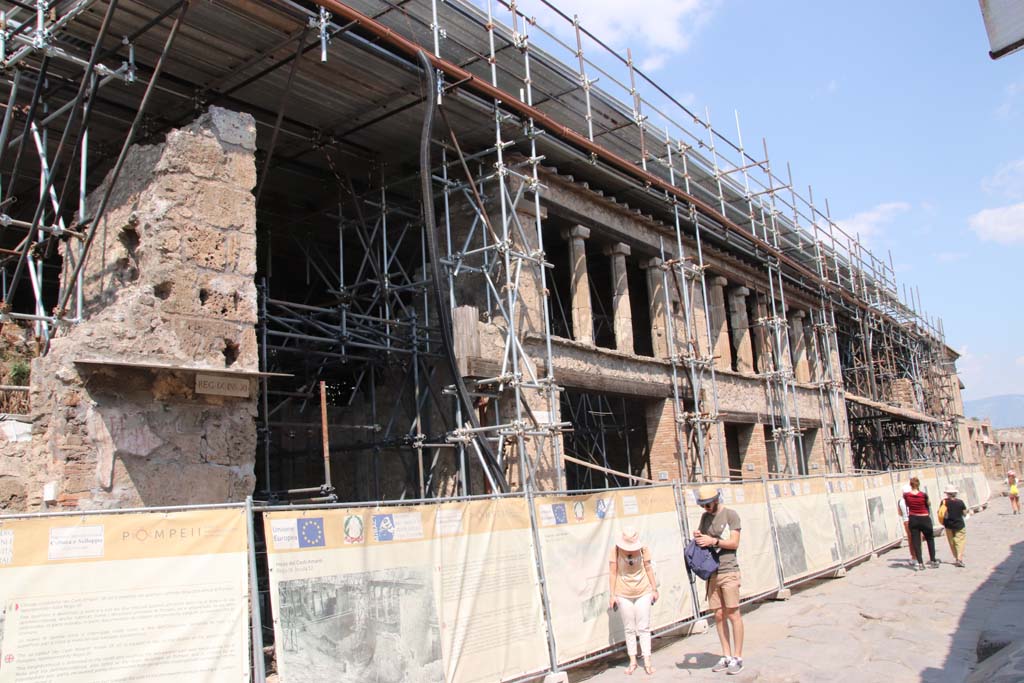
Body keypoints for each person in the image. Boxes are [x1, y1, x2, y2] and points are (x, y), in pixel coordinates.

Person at [693, 485, 744, 675]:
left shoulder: (731, 515)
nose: (705, 509)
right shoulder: (705, 518)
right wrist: (698, 537)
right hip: (711, 572)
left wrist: (714, 541)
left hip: (728, 570)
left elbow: (734, 542)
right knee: (719, 615)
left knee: (733, 613)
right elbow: (703, 540)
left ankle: (738, 657)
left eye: (707, 505)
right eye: (702, 506)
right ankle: (726, 655)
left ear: (716, 500)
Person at [608, 526, 659, 675]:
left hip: (643, 590)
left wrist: (654, 589)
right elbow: (612, 573)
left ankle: (647, 661)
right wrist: (612, 595)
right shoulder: (615, 550)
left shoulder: (643, 549)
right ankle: (633, 661)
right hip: (623, 592)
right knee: (629, 628)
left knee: (643, 626)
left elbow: (648, 568)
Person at [903, 477, 938, 570]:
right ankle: (933, 560)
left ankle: (920, 563)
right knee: (930, 539)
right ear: (919, 485)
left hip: (913, 518)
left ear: (910, 485)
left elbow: (907, 505)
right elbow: (928, 504)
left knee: (916, 541)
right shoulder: (923, 495)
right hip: (924, 517)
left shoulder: (906, 495)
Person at [940, 485, 968, 567]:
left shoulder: (944, 502)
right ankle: (959, 558)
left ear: (947, 493)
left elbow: (942, 513)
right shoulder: (960, 502)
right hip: (959, 524)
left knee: (952, 542)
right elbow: (965, 513)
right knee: (960, 542)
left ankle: (956, 557)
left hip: (948, 524)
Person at [897, 483, 918, 566]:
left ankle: (914, 557)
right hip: (915, 518)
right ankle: (918, 556)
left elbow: (900, 513)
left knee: (910, 539)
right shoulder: (914, 498)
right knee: (917, 538)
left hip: (907, 520)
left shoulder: (900, 501)